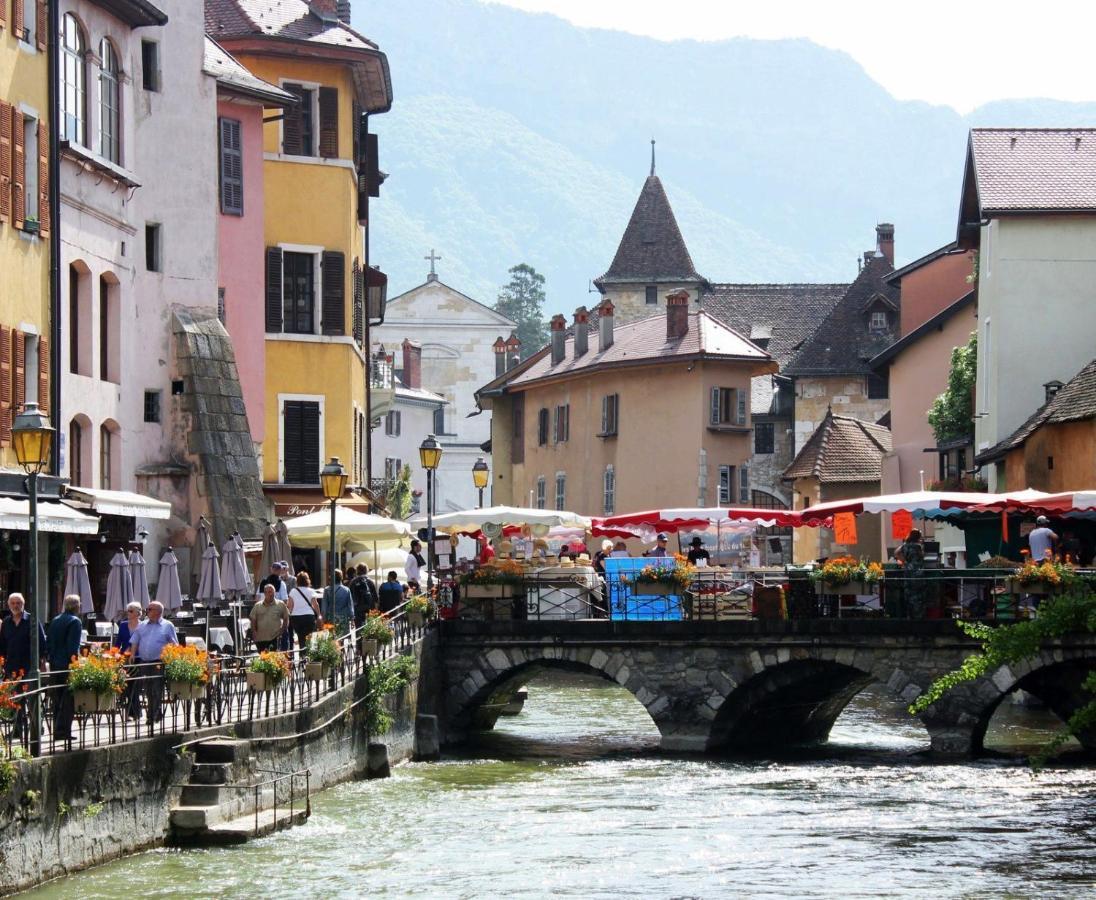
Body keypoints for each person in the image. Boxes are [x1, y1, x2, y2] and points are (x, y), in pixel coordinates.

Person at [128, 600, 179, 725]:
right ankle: (156, 712)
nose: (146, 611)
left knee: (156, 689)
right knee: (147, 690)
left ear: (158, 612)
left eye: (150, 609)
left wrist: (171, 657)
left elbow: (174, 644)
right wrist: (133, 654)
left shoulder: (167, 625)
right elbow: (135, 640)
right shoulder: (142, 625)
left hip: (158, 662)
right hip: (144, 662)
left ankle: (151, 716)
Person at [46, 595, 83, 743]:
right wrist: (75, 664)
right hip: (66, 664)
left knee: (57, 698)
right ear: (76, 606)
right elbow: (72, 647)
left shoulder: (55, 620)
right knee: (68, 698)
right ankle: (63, 730)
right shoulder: (75, 621)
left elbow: (49, 643)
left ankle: (56, 728)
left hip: (55, 663)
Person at [0, 592, 47, 680]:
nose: (15, 606)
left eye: (18, 603)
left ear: (23, 604)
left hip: (29, 667)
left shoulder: (32, 620)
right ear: (9, 605)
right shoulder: (6, 623)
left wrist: (43, 663)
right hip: (10, 668)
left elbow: (42, 642)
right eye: (12, 603)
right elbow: (2, 645)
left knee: (29, 693)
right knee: (11, 693)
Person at [114, 601, 145, 719]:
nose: (128, 613)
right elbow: (118, 643)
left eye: (131, 611)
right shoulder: (123, 625)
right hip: (124, 659)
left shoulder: (143, 626)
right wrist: (114, 654)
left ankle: (133, 713)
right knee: (126, 686)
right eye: (128, 610)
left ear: (138, 613)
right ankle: (135, 712)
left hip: (138, 658)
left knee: (135, 686)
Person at [894, 528, 926, 618]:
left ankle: (909, 616)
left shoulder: (905, 546)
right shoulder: (919, 546)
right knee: (919, 595)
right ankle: (919, 616)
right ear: (918, 537)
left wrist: (903, 560)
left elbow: (896, 553)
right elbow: (922, 556)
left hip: (908, 571)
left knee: (908, 593)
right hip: (918, 572)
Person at [287, 571, 321, 652]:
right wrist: (319, 615)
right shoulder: (311, 591)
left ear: (297, 581)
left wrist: (287, 616)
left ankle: (302, 656)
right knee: (310, 638)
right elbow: (315, 604)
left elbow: (290, 606)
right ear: (307, 580)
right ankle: (309, 656)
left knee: (300, 637)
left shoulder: (293, 591)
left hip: (296, 618)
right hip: (308, 617)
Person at [250, 584, 289, 653]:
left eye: (272, 592)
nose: (270, 594)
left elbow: (286, 618)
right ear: (265, 593)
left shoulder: (280, 604)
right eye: (268, 592)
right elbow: (253, 620)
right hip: (261, 638)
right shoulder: (257, 606)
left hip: (274, 637)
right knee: (263, 659)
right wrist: (254, 632)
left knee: (273, 658)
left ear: (274, 592)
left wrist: (282, 630)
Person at [321, 569, 354, 635]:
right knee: (343, 637)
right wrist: (352, 618)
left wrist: (324, 619)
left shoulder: (327, 590)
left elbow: (324, 606)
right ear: (341, 577)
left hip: (330, 618)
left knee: (332, 638)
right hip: (343, 618)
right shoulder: (346, 590)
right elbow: (350, 606)